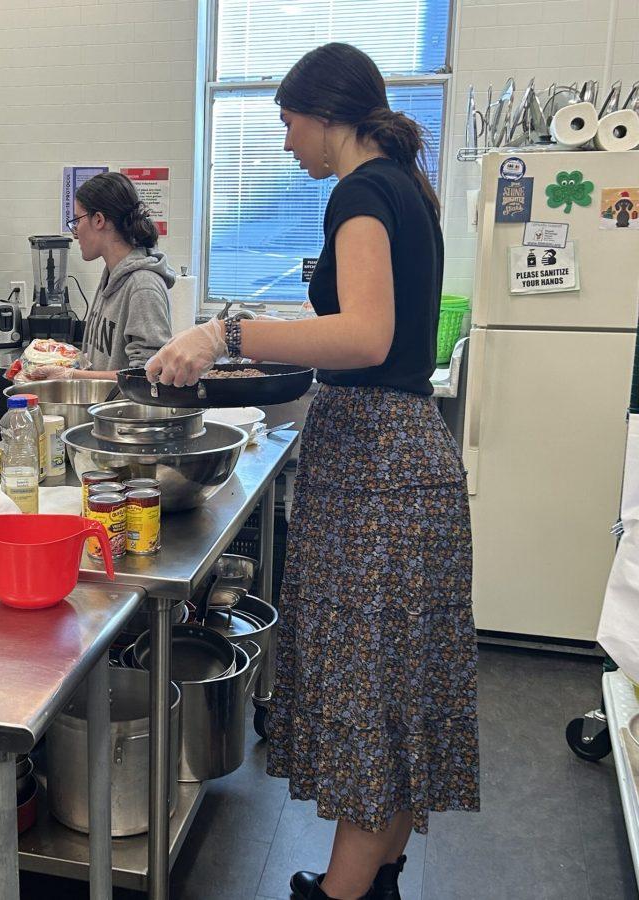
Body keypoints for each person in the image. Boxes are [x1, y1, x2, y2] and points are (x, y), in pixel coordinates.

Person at [145, 43, 479, 900]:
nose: (289, 142)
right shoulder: (403, 185)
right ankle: (374, 879)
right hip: (404, 462)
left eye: (290, 123)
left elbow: (363, 336)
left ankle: (339, 894)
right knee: (398, 695)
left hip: (378, 476)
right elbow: (373, 327)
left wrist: (226, 333)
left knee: (368, 693)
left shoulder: (362, 190)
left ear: (327, 114)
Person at [28, 171, 173, 380]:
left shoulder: (142, 286)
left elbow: (148, 376)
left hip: (120, 413)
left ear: (98, 220)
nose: (75, 232)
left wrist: (71, 375)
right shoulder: (111, 275)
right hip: (101, 410)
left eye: (77, 220)